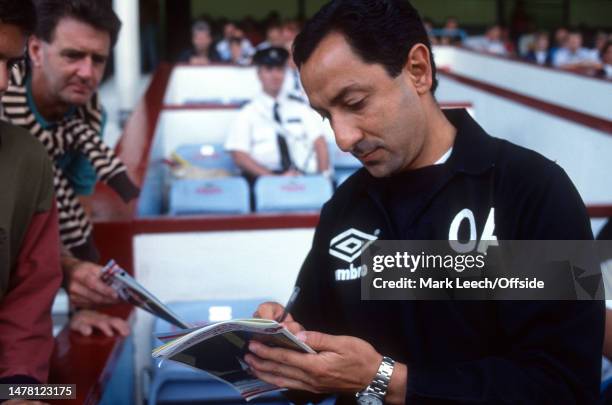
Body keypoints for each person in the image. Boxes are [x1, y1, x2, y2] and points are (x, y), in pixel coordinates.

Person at [246, 1, 604, 404]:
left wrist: (388, 380)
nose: (343, 138)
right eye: (326, 116)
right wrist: (282, 344)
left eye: (355, 102)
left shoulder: (532, 191)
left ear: (418, 70)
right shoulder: (344, 207)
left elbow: (564, 384)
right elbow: (314, 356)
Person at [0, 0, 133, 337]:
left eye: (98, 60)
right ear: (34, 49)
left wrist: (81, 304)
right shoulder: (4, 100)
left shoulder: (88, 115)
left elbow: (77, 212)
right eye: (73, 55)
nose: (87, 73)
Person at [0, 0, 62, 395]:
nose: (2, 83)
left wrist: (22, 390)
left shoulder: (26, 158)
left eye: (12, 65)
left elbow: (30, 298)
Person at [224, 47, 329, 181]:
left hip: (303, 178)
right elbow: (239, 155)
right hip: (264, 182)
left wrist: (322, 178)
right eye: (269, 69)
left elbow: (319, 142)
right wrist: (275, 179)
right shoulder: (247, 112)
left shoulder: (300, 108)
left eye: (279, 69)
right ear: (259, 74)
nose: (275, 75)